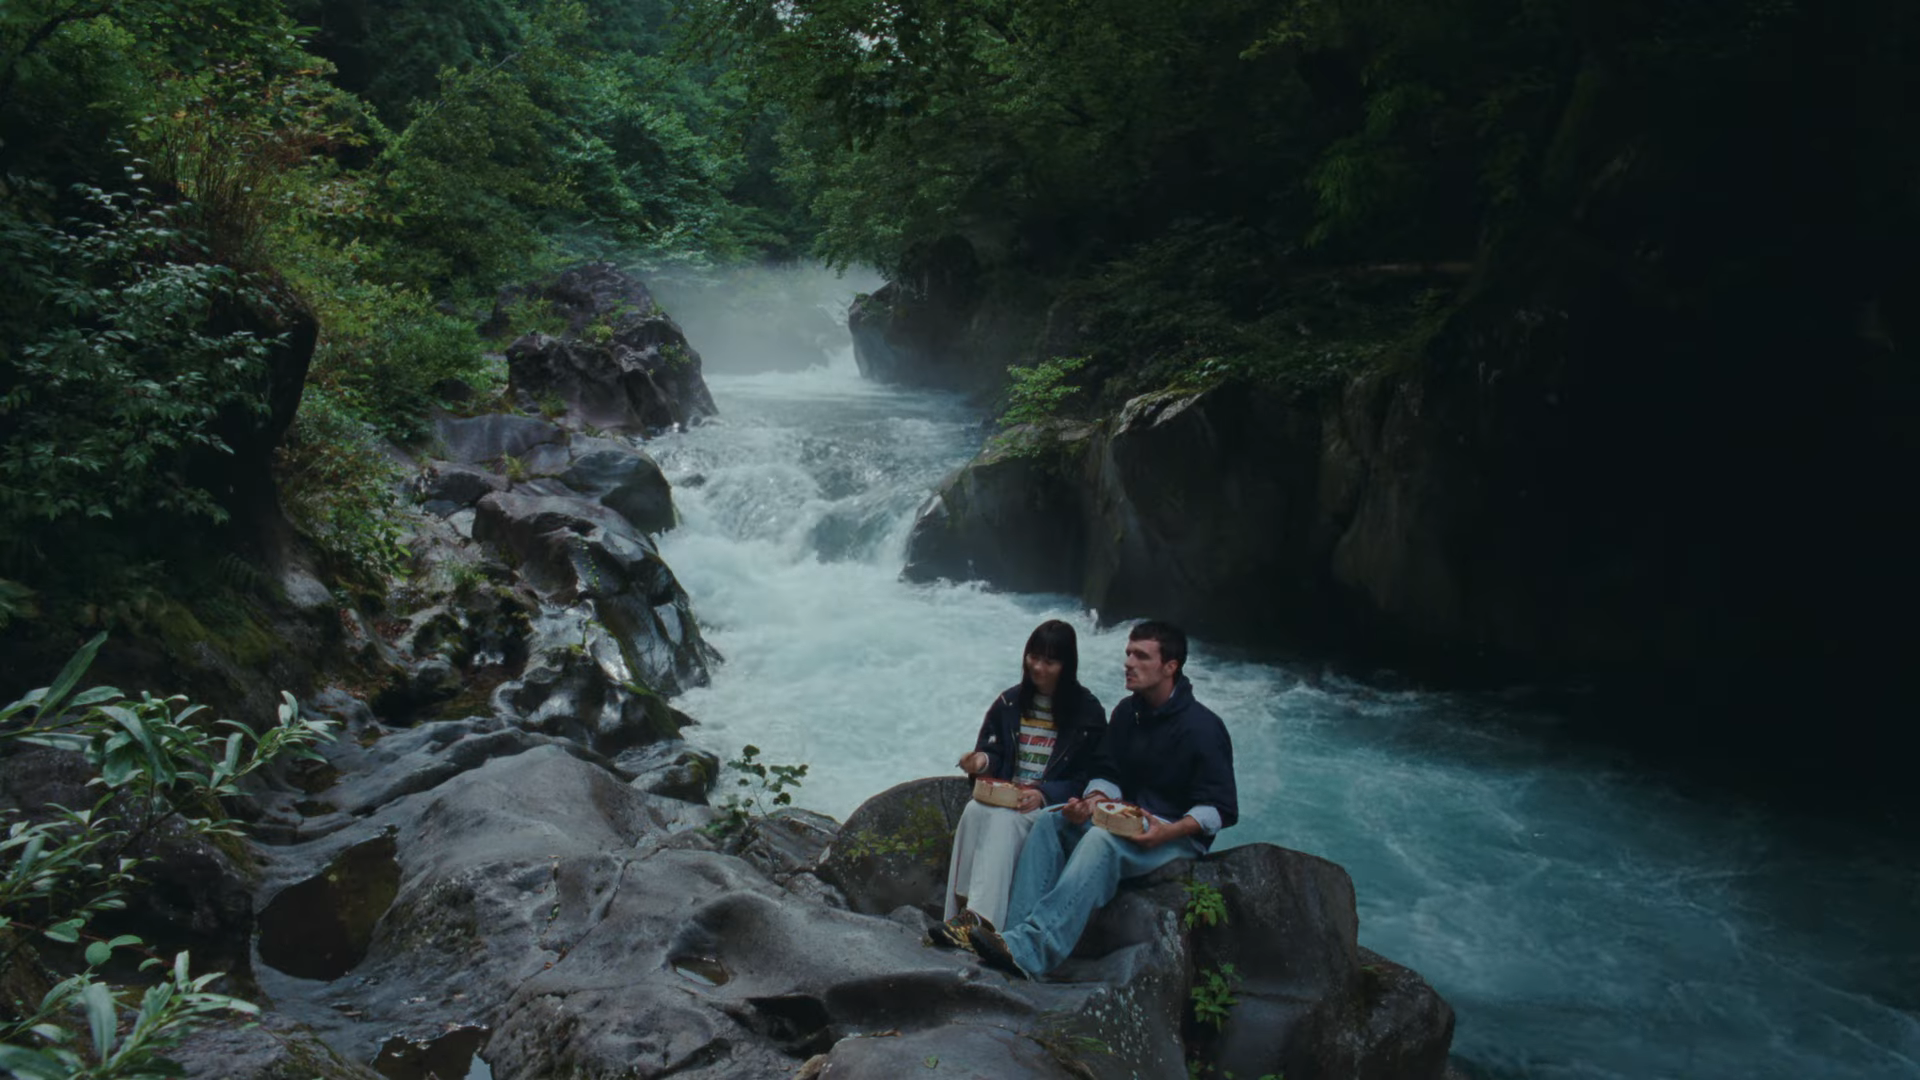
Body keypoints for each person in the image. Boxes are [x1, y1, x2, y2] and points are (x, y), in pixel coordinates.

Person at [965, 620, 1236, 979]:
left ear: (1170, 666)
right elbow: (1109, 772)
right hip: (1125, 819)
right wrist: (1091, 801)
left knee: (1102, 840)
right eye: (1128, 653)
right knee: (1051, 821)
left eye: (1141, 656)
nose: (1128, 662)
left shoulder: (1204, 727)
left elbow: (1220, 808)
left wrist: (1168, 832)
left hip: (1174, 834)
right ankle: (1011, 941)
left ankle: (1033, 951)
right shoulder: (1128, 712)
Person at [933, 619, 1107, 938]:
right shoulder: (1009, 702)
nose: (1037, 667)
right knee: (974, 810)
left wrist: (1044, 793)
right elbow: (992, 750)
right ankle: (958, 912)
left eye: (1049, 661)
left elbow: (1090, 775)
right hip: (1008, 797)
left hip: (1047, 811)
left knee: (1002, 821)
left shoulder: (1088, 713)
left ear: (1067, 666)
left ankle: (983, 924)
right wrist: (980, 761)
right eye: (1033, 657)